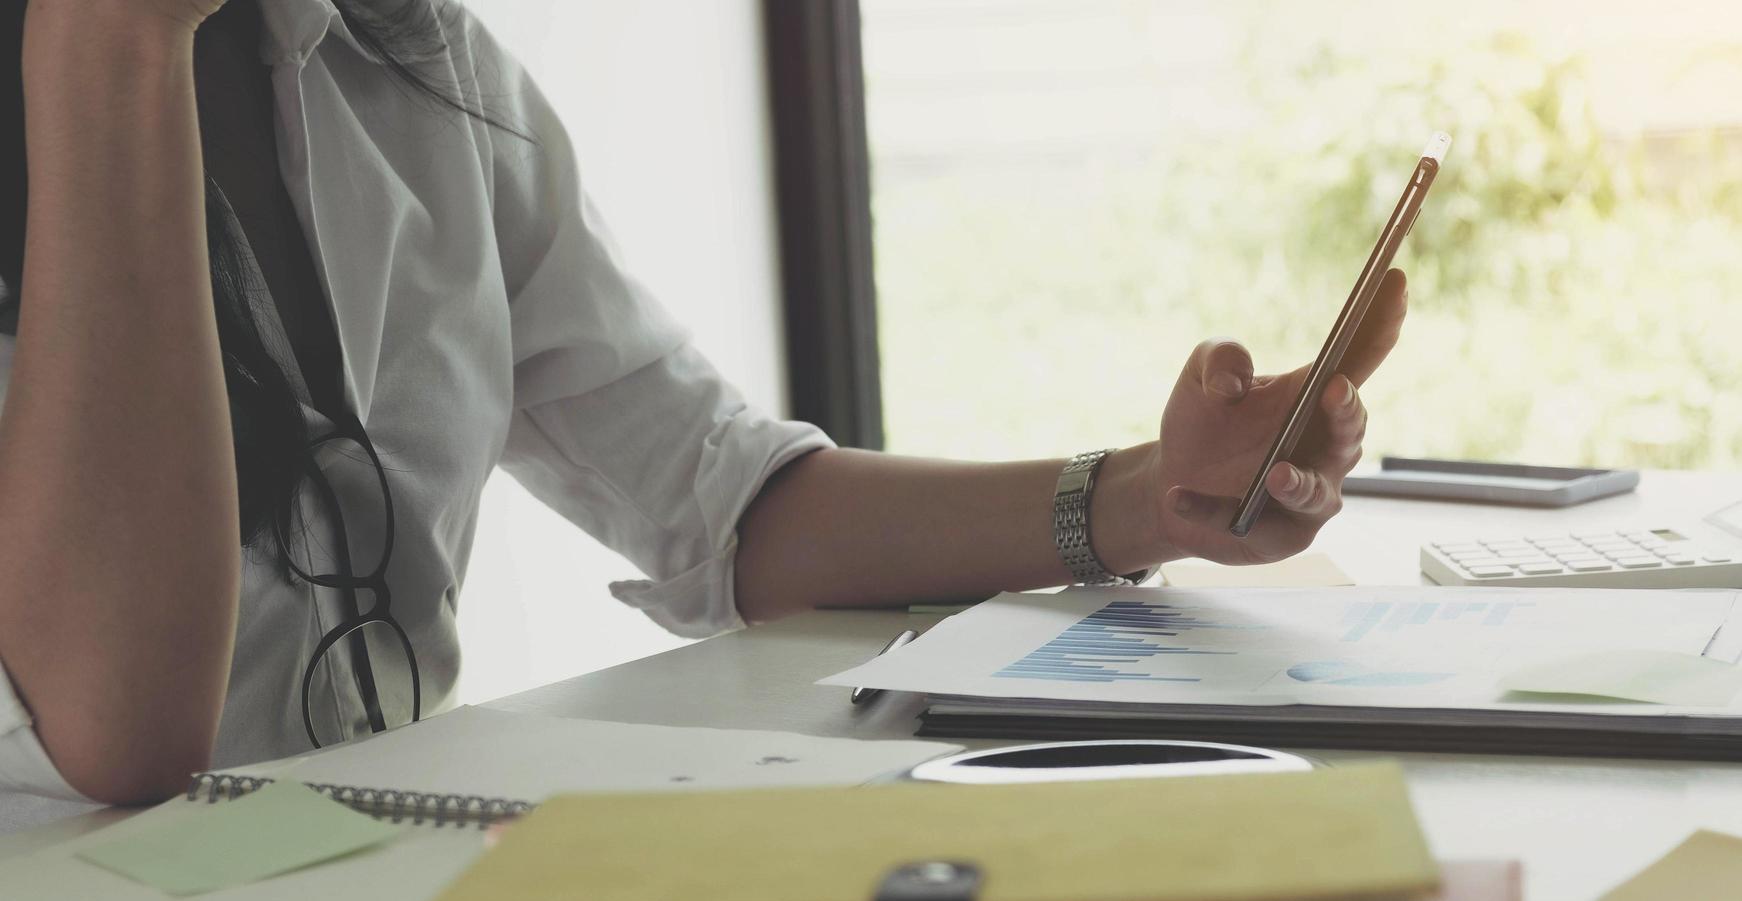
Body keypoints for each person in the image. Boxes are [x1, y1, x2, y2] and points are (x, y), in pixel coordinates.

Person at [0, 0, 1404, 831]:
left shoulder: (407, 60)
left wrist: (1139, 498)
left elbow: (715, 497)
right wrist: (106, 46)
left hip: (356, 880)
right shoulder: (101, 58)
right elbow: (125, 734)